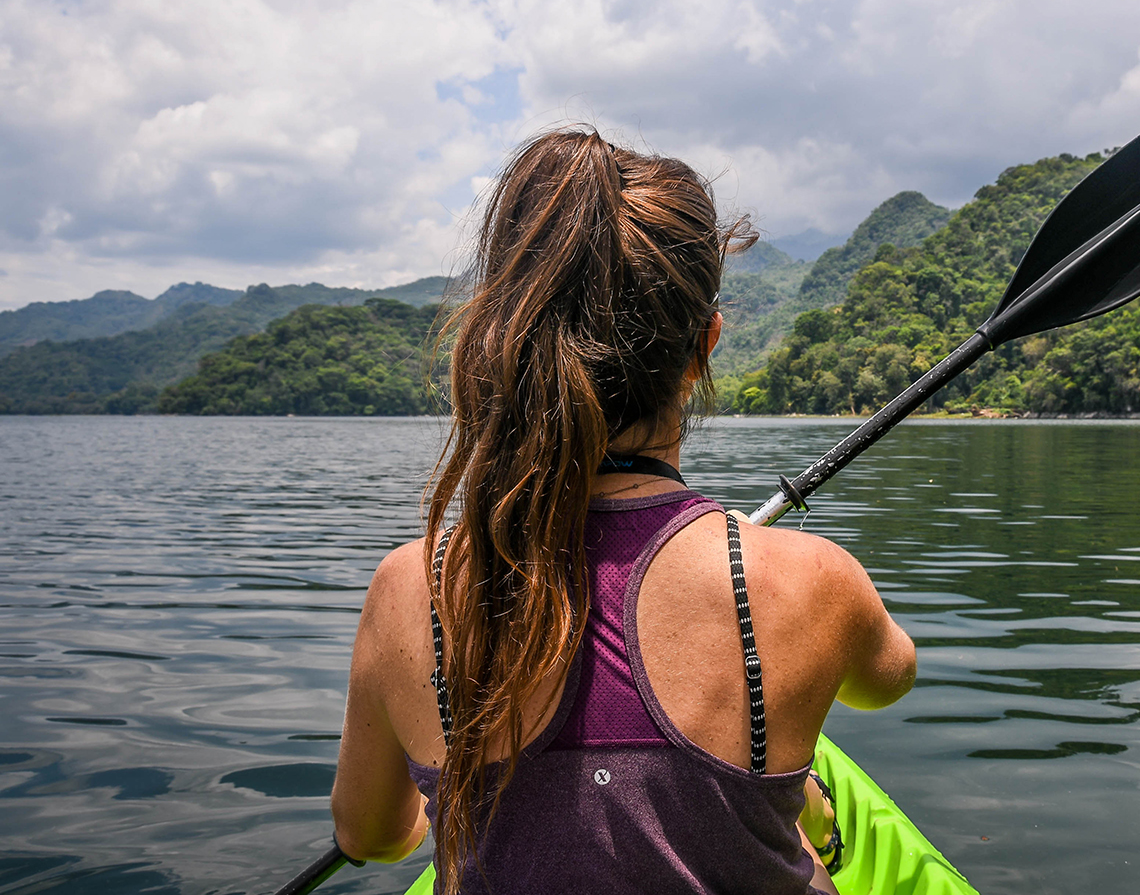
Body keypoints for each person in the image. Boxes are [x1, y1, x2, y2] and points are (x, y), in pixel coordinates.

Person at [330, 129, 917, 894]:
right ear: (704, 345)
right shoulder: (809, 579)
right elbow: (888, 679)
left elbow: (368, 836)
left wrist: (431, 811)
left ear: (505, 343)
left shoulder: (412, 590)